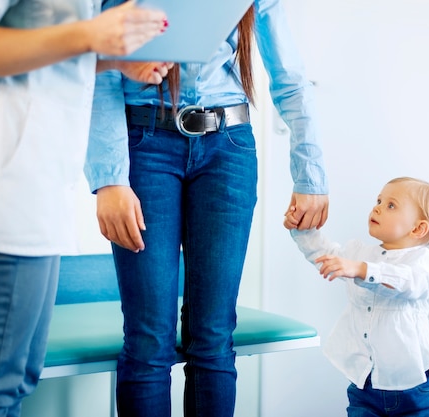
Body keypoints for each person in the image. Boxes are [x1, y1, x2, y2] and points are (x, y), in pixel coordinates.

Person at [0, 1, 172, 415]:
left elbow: (38, 49)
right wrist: (91, 35)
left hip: (41, 183)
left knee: (17, 380)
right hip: (1, 188)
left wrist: (111, 61)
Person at [84, 0, 329, 415]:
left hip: (228, 149)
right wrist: (109, 178)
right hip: (144, 146)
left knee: (213, 337)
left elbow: (290, 78)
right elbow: (98, 66)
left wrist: (311, 175)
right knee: (148, 342)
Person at [287, 177, 429, 417]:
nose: (376, 207)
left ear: (418, 228)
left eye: (391, 205)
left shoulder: (422, 262)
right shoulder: (359, 253)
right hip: (365, 385)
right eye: (379, 200)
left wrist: (363, 270)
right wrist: (302, 228)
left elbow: (408, 282)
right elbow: (324, 254)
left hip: (413, 387)